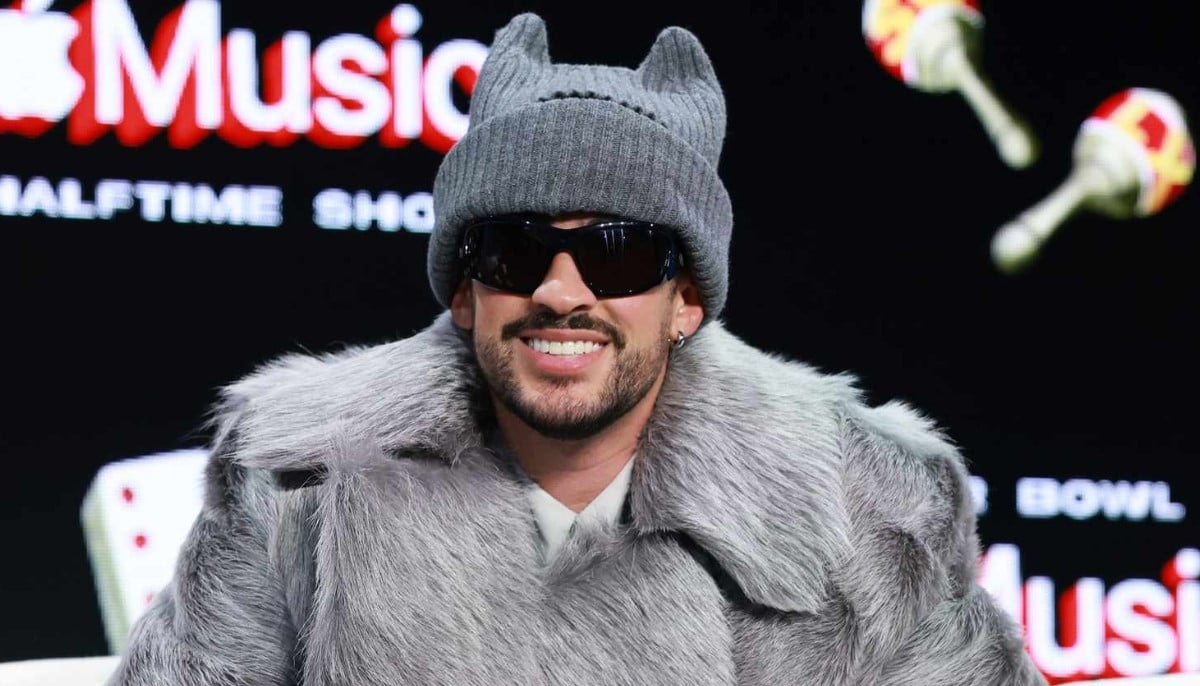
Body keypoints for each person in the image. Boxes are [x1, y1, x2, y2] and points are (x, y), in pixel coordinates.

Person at [108, 11, 1047, 686]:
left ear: (686, 301)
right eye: (515, 250)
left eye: (618, 253)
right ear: (464, 291)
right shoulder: (299, 480)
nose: (562, 292)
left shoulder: (865, 506)